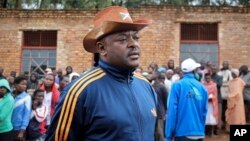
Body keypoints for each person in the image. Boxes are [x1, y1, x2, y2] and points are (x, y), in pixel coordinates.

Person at [46, 6, 156, 141]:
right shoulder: (79, 92)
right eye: (122, 39)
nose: (134, 44)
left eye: (136, 37)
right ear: (102, 48)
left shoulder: (146, 86)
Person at [166, 58, 208, 141]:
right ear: (195, 70)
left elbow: (172, 111)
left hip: (182, 133)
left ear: (182, 71)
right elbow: (204, 113)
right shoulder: (203, 88)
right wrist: (200, 130)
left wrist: (169, 135)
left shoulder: (177, 86)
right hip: (199, 133)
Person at [12, 76, 31, 141]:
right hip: (8, 127)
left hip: (19, 129)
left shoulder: (27, 97)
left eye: (25, 84)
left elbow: (27, 114)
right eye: (22, 84)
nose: (24, 86)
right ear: (15, 85)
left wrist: (22, 131)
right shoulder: (9, 95)